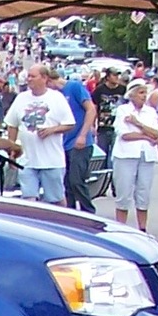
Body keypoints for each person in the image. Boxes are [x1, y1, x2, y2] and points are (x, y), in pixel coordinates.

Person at [6, 63, 76, 204]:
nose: (29, 79)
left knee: (56, 199)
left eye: (33, 76)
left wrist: (52, 130)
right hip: (27, 160)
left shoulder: (56, 98)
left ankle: (61, 222)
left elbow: (70, 123)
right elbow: (12, 124)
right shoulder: (21, 98)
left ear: (44, 78)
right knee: (29, 200)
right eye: (28, 76)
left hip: (51, 160)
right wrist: (11, 148)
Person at [109, 80, 158, 229]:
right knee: (124, 191)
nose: (144, 96)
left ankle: (142, 228)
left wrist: (138, 124)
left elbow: (156, 133)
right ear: (132, 95)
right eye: (141, 93)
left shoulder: (150, 112)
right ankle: (121, 227)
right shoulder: (123, 110)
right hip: (125, 155)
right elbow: (124, 135)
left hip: (146, 155)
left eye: (145, 93)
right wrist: (146, 136)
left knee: (144, 191)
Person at [60, 64, 98, 210]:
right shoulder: (53, 96)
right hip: (63, 142)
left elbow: (91, 109)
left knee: (76, 180)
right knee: (66, 183)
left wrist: (83, 134)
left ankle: (88, 211)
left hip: (79, 142)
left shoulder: (74, 87)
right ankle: (70, 214)